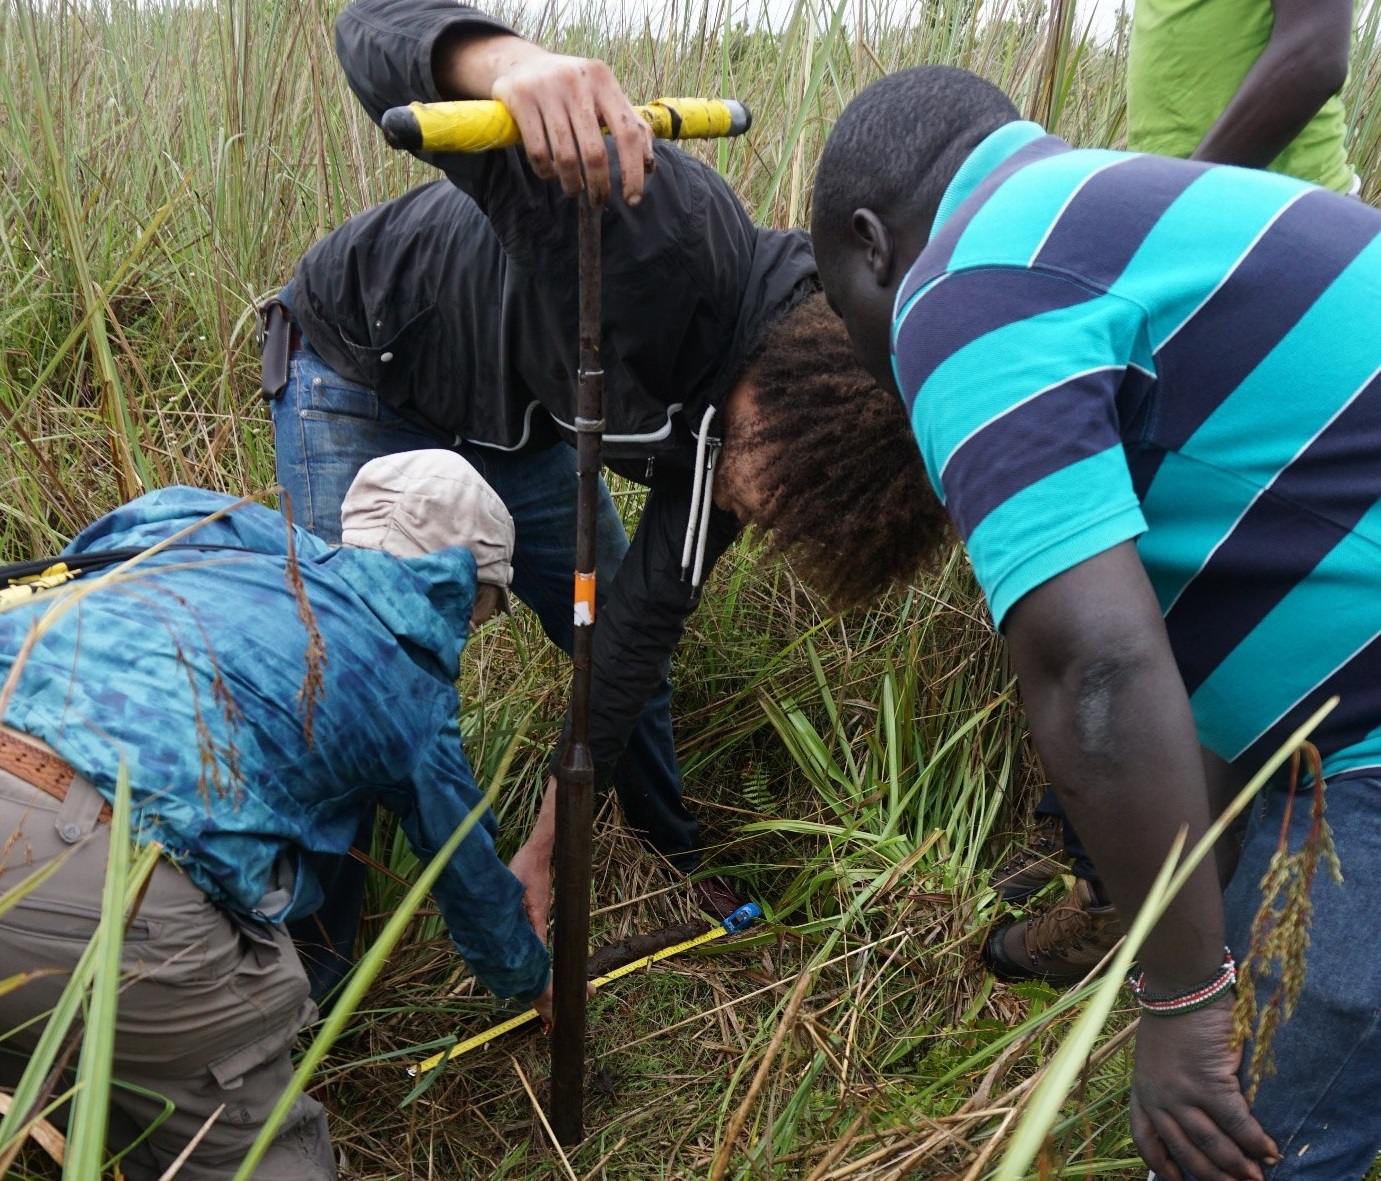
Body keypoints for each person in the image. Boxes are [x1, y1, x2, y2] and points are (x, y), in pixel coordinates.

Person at [262, 0, 938, 986]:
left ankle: (668, 857)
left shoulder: (744, 443)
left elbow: (630, 635)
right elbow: (370, 32)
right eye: (780, 500)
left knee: (622, 648)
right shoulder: (657, 235)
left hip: (521, 423)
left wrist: (548, 844)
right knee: (361, 681)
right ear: (795, 409)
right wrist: (500, 64)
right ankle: (305, 982)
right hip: (362, 369)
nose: (754, 522)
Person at [811, 66, 1381, 1181]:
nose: (881, 371)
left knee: (1237, 1143)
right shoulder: (1128, 211)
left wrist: (1184, 998)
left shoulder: (966, 282)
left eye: (845, 315)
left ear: (872, 243)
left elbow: (1097, 667)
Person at [0, 451, 552, 1180]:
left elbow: (115, 538)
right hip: (93, 872)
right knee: (252, 1146)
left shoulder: (208, 529)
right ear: (463, 589)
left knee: (87, 1082)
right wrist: (536, 981)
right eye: (485, 612)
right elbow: (472, 883)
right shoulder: (405, 685)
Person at [994, 0, 1362, 980]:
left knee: (1250, 622)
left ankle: (1224, 952)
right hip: (1171, 293)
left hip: (1272, 282)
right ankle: (1151, 911)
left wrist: (1157, 204)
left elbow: (1315, 54)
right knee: (1161, 612)